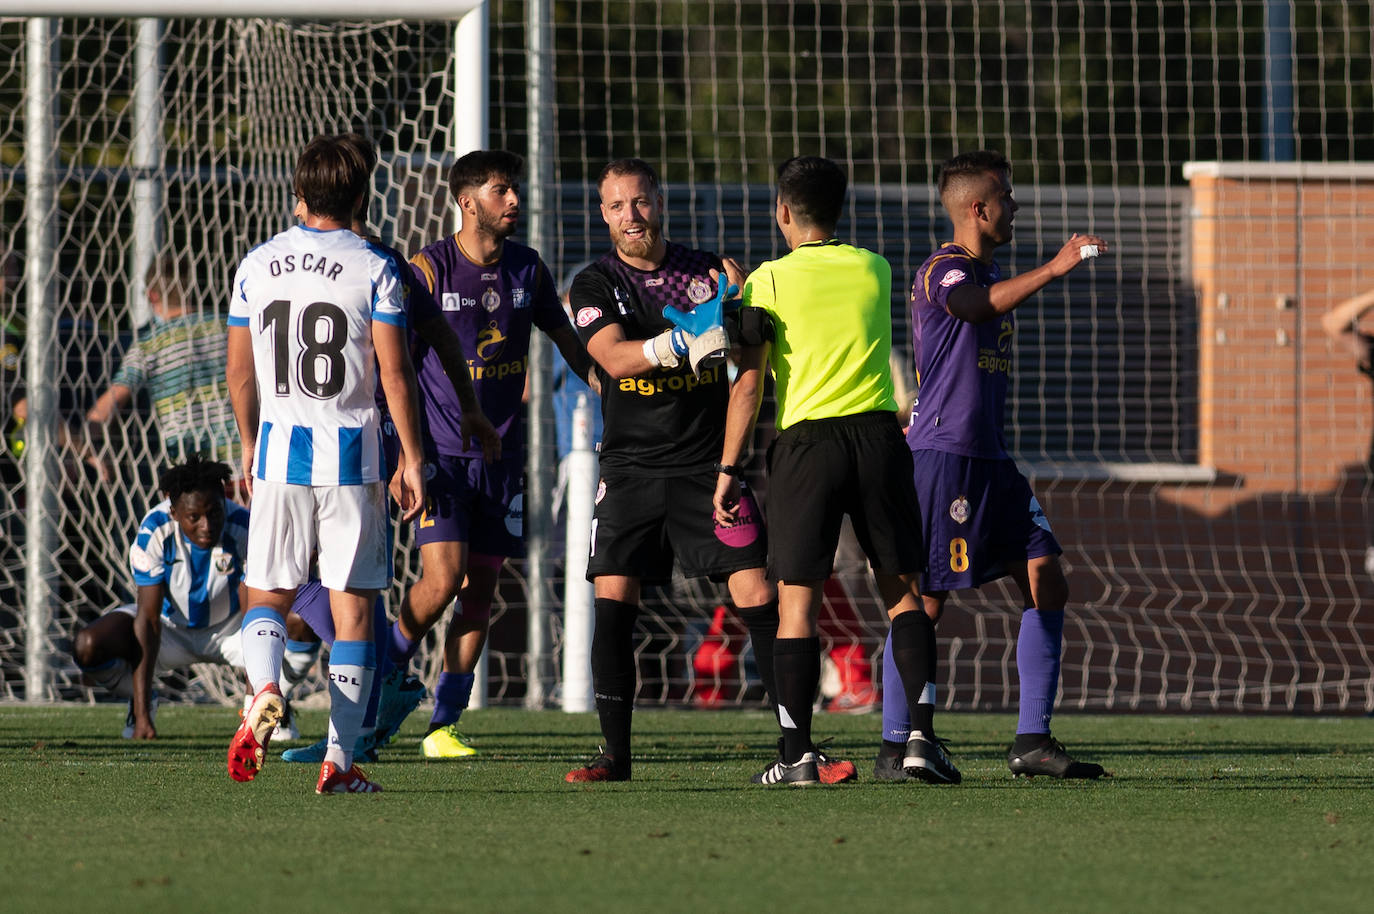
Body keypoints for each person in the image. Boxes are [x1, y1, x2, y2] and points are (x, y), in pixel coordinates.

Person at [565, 157, 856, 785]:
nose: (631, 216)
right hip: (631, 471)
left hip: (707, 470)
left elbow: (751, 355)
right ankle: (615, 757)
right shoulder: (593, 283)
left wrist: (734, 314)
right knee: (614, 601)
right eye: (617, 206)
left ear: (659, 201)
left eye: (640, 201)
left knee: (759, 597)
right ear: (603, 214)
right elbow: (613, 360)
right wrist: (677, 344)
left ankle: (798, 750)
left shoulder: (712, 273)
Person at [710, 155, 954, 787]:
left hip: (806, 447)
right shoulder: (876, 267)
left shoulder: (766, 281)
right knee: (902, 593)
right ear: (839, 209)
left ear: (783, 212)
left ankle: (797, 756)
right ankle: (922, 742)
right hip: (877, 439)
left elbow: (749, 379)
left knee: (799, 605)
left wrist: (729, 467)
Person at [876, 149, 1108, 780]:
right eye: (1006, 195)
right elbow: (974, 307)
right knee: (924, 601)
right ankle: (897, 745)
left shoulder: (987, 268)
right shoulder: (944, 270)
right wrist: (1055, 269)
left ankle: (1032, 740)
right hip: (943, 457)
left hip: (992, 461)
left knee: (1046, 576)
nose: (1016, 206)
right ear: (977, 208)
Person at [225, 133, 427, 794]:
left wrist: (250, 445)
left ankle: (264, 688)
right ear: (361, 194)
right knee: (355, 614)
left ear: (299, 191)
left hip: (280, 453)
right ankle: (339, 763)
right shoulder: (377, 267)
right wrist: (414, 459)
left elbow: (241, 373)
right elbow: (394, 376)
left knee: (268, 593)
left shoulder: (257, 263)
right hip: (353, 460)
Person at [381, 149, 596, 760]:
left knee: (480, 591)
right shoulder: (427, 269)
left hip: (502, 460)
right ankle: (382, 677)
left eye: (516, 190)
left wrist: (608, 381)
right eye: (502, 190)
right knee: (442, 580)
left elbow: (567, 341)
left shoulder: (529, 268)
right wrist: (402, 455)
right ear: (467, 201)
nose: (514, 201)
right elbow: (389, 366)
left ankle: (443, 725)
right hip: (440, 456)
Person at [72, 456, 260, 737]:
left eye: (214, 513)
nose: (207, 525)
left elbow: (254, 618)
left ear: (225, 500)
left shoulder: (246, 528)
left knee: (290, 623)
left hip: (230, 631)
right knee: (88, 646)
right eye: (194, 517)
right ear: (174, 512)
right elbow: (148, 620)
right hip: (169, 630)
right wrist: (142, 713)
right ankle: (142, 701)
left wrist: (252, 713)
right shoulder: (154, 531)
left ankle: (274, 711)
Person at [82, 252, 238, 480]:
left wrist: (84, 447)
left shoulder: (149, 344)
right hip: (242, 465)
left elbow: (106, 407)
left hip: (189, 472)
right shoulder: (230, 327)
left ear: (151, 295)